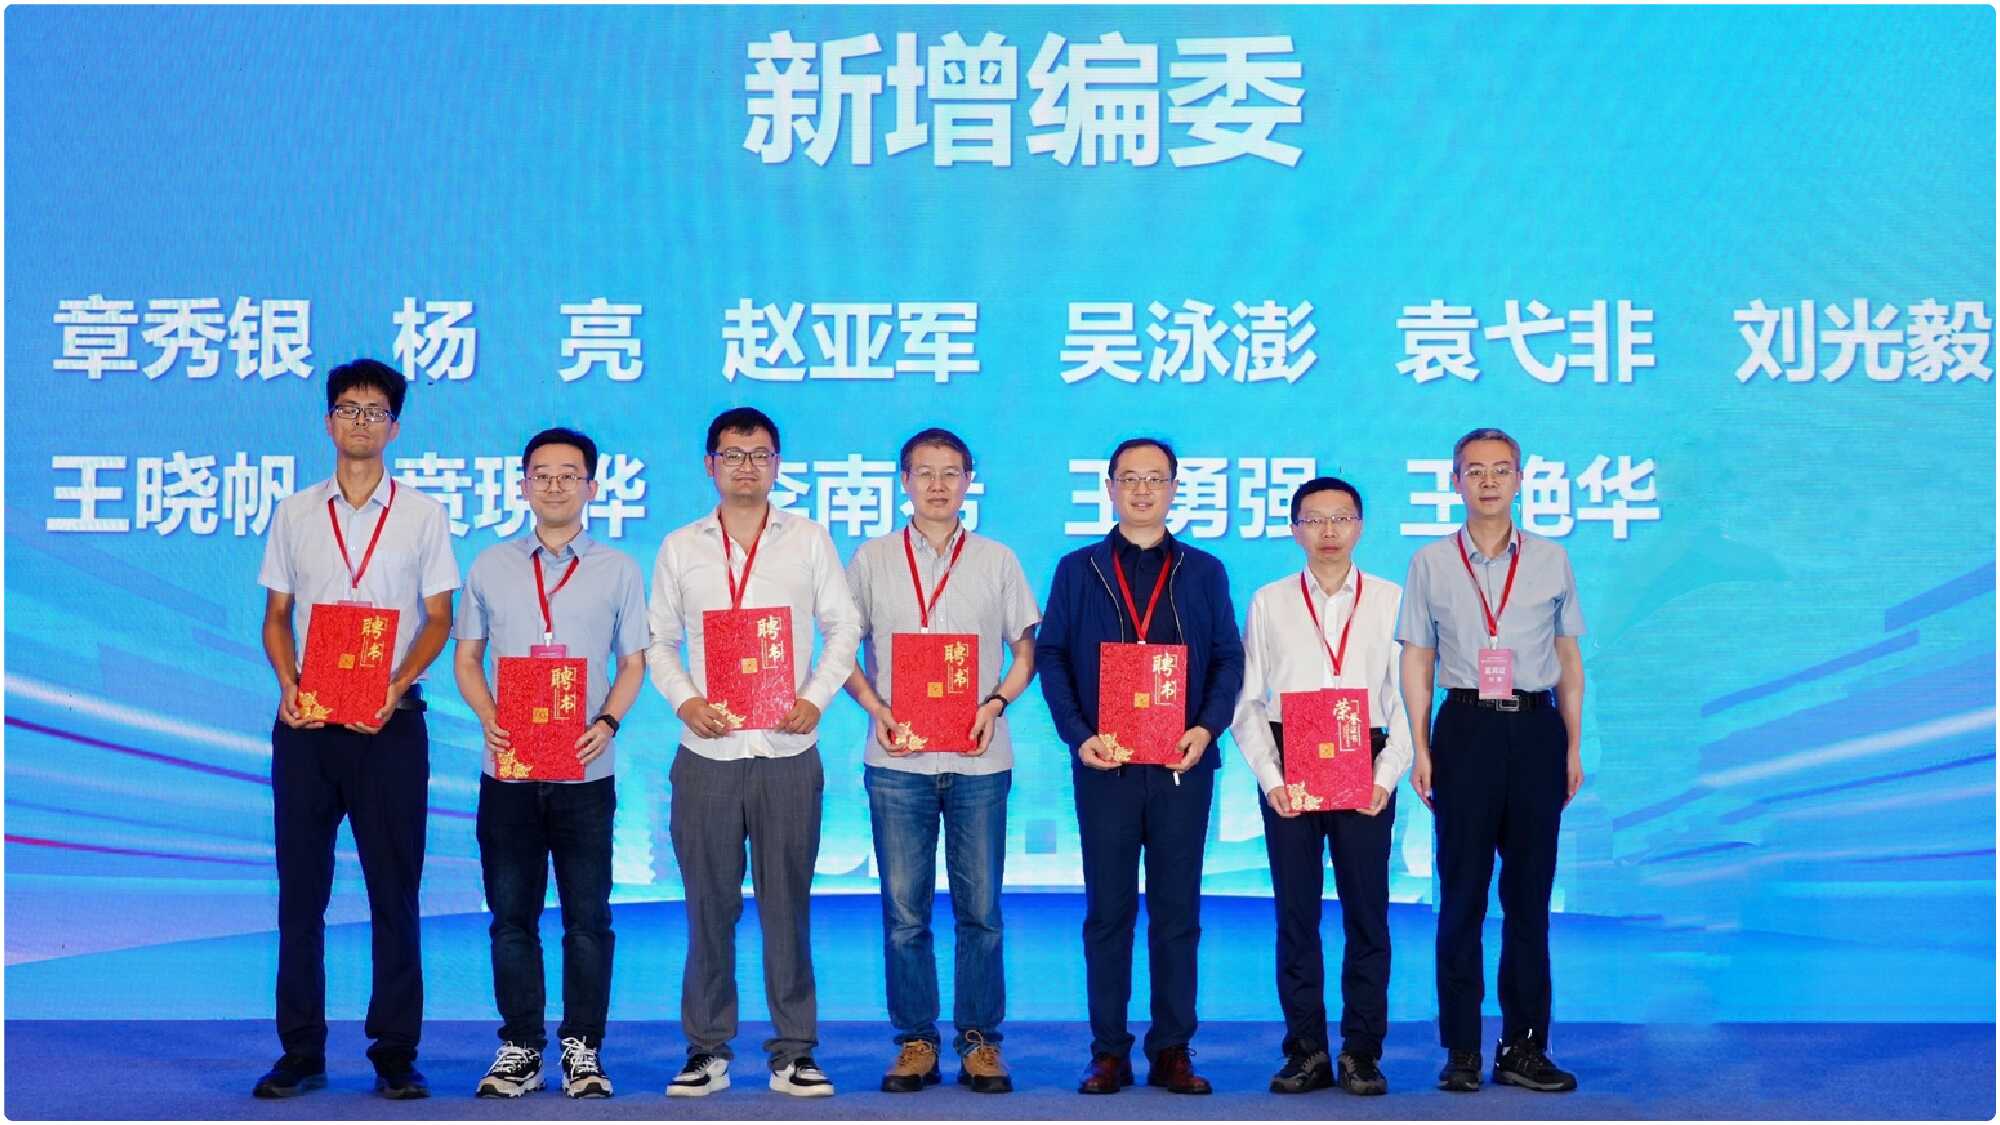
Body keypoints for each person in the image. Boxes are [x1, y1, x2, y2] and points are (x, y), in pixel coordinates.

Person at [253, 359, 458, 1100]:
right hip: (308, 728)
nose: (361, 421)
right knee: (300, 894)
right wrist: (288, 685)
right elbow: (277, 616)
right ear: (328, 421)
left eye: (375, 411)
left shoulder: (423, 514)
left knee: (393, 893)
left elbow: (439, 617)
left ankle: (395, 1051)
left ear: (395, 428)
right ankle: (300, 1050)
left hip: (389, 728)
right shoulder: (295, 512)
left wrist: (394, 686)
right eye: (348, 409)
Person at [645, 407, 862, 1098]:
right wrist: (685, 701)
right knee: (708, 907)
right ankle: (706, 1048)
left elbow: (844, 625)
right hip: (706, 751)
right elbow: (658, 640)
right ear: (710, 464)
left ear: (777, 465)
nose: (747, 466)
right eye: (733, 454)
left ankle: (794, 1050)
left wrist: (816, 698)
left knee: (786, 906)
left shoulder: (808, 539)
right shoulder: (682, 546)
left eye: (760, 454)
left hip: (788, 747)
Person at [1036, 437, 1244, 1097]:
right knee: (1109, 912)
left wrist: (1206, 728)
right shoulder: (1078, 569)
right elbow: (1051, 656)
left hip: (1183, 764)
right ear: (1110, 487)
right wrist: (1079, 736)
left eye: (1156, 478)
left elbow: (1228, 658)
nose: (1143, 490)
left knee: (1178, 913)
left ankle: (1172, 1048)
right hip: (1107, 765)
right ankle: (1108, 1052)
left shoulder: (1204, 571)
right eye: (1130, 478)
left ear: (1175, 488)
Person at [841, 428, 1039, 1095]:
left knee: (982, 911)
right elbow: (843, 649)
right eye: (923, 472)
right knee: (905, 914)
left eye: (950, 472)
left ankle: (981, 1040)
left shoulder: (997, 559)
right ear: (904, 480)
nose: (936, 484)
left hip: (980, 760)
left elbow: (1026, 652)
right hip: (898, 761)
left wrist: (995, 703)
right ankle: (916, 1040)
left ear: (968, 480)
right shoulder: (871, 559)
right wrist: (876, 707)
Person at [453, 427, 647, 1098]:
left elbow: (633, 662)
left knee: (587, 918)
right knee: (512, 916)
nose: (555, 485)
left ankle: (583, 1047)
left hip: (585, 773)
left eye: (569, 475)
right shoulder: (490, 565)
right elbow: (467, 659)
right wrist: (489, 716)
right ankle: (520, 1045)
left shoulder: (619, 569)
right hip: (508, 771)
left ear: (591, 487)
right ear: (523, 484)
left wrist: (608, 721)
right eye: (542, 474)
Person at [1400, 427, 1586, 1094]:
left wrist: (1571, 743)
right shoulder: (1430, 561)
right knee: (1462, 898)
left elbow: (1567, 658)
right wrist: (1420, 746)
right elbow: (1418, 658)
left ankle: (1524, 1047)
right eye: (1474, 470)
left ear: (1519, 479)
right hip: (1465, 730)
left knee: (1529, 900)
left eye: (1500, 470)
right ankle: (1461, 1049)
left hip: (1535, 729)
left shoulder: (1552, 558)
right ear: (1455, 481)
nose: (1487, 481)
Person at [1231, 476, 1411, 1096]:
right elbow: (1248, 701)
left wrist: (1386, 776)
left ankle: (1362, 1052)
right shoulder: (1269, 601)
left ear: (1360, 525)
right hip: (1292, 765)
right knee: (1296, 915)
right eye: (1314, 519)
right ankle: (1306, 1050)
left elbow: (1408, 700)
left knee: (1368, 916)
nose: (1328, 531)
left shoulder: (1391, 599)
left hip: (1366, 758)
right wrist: (1271, 777)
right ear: (1294, 529)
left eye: (1340, 517)